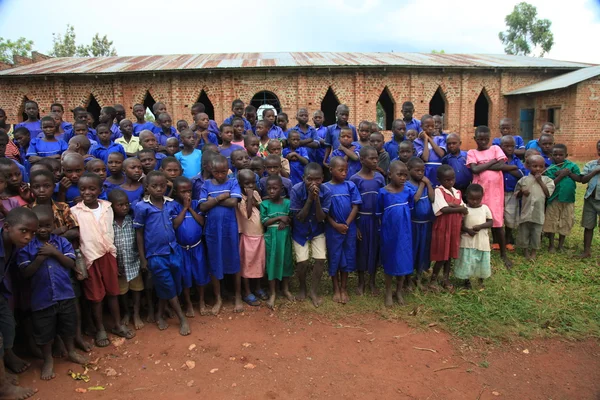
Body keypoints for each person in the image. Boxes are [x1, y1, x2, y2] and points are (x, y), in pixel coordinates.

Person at [18, 205, 88, 380]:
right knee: (44, 332)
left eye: (47, 225)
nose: (43, 229)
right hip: (42, 298)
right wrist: (41, 257)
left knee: (68, 325)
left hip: (65, 294)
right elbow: (26, 273)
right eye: (39, 226)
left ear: (53, 224)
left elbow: (70, 264)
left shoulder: (62, 243)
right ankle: (48, 360)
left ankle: (71, 351)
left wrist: (54, 253)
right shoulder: (27, 247)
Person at [71, 173, 134, 347]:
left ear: (100, 189)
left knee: (113, 293)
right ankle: (100, 329)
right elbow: (76, 239)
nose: (87, 192)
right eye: (83, 189)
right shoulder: (75, 211)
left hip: (108, 255)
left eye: (92, 188)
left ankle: (117, 324)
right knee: (96, 297)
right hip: (90, 258)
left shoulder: (107, 207)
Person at [134, 171, 190, 335]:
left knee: (171, 285)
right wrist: (143, 259)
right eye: (154, 186)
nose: (159, 189)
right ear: (147, 187)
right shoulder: (141, 207)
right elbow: (139, 233)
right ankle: (182, 318)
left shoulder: (171, 204)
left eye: (162, 186)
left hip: (173, 250)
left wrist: (185, 209)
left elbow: (175, 225)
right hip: (155, 254)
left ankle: (159, 314)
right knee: (167, 284)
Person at [0, 208, 39, 400]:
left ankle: (6, 364)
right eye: (24, 231)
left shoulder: (13, 244)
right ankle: (3, 389)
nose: (28, 237)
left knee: (8, 326)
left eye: (32, 233)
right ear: (7, 227)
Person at [199, 155, 243, 314]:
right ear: (211, 170)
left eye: (223, 171)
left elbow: (233, 203)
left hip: (230, 229)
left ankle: (238, 296)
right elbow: (203, 207)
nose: (220, 175)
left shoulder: (233, 182)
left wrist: (214, 200)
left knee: (235, 261)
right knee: (214, 262)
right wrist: (222, 197)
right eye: (216, 172)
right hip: (212, 230)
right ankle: (218, 298)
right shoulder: (206, 184)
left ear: (228, 170)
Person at [467, 126, 512, 268]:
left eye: (486, 139)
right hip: (479, 193)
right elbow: (474, 169)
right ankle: (478, 250)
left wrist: (483, 165)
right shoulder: (472, 152)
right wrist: (492, 162)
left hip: (495, 194)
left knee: (497, 223)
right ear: (475, 139)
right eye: (479, 139)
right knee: (478, 220)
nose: (483, 142)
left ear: (490, 138)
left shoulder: (495, 149)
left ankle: (503, 254)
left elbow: (501, 165)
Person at [290, 163, 331, 307]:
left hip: (317, 229)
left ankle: (313, 291)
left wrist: (317, 200)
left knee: (320, 259)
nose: (313, 183)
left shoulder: (326, 191)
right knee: (303, 261)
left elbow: (321, 218)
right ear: (303, 178)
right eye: (309, 179)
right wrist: (309, 199)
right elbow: (299, 217)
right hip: (300, 230)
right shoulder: (296, 190)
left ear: (323, 178)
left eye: (317, 179)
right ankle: (302, 287)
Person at [377, 160, 414, 307]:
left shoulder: (408, 191)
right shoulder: (383, 192)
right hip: (389, 233)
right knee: (390, 260)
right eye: (399, 174)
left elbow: (409, 209)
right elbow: (379, 213)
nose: (403, 178)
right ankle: (388, 291)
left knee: (403, 260)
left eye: (405, 175)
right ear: (390, 174)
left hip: (405, 233)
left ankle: (399, 290)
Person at [171, 177, 209, 317]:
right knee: (185, 277)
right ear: (176, 192)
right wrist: (184, 209)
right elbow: (175, 225)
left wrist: (190, 208)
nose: (187, 194)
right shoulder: (173, 206)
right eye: (183, 191)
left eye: (189, 191)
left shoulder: (196, 204)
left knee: (200, 275)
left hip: (197, 247)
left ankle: (201, 301)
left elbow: (201, 222)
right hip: (181, 248)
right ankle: (188, 304)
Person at [324, 157, 361, 304]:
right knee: (335, 257)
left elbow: (355, 206)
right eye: (340, 170)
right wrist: (335, 225)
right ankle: (336, 288)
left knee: (347, 256)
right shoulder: (325, 187)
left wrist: (346, 224)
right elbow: (324, 212)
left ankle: (344, 288)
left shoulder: (350, 185)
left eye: (346, 170)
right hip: (333, 229)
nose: (344, 173)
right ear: (331, 170)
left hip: (348, 228)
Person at [350, 146, 385, 295]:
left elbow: (383, 199)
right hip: (362, 220)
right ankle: (361, 282)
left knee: (375, 250)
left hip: (376, 220)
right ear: (362, 159)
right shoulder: (355, 179)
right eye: (372, 158)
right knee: (362, 250)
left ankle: (372, 282)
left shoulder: (380, 177)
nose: (375, 161)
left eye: (376, 158)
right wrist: (356, 225)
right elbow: (353, 204)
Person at [109, 189, 145, 331]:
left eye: (126, 204)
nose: (124, 207)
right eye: (120, 205)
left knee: (137, 289)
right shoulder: (109, 223)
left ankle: (136, 314)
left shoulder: (132, 220)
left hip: (133, 262)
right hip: (119, 265)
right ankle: (127, 313)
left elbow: (139, 239)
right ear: (112, 207)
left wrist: (142, 259)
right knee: (122, 292)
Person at [430, 165, 468, 291]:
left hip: (454, 228)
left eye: (452, 179)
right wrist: (458, 208)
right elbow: (443, 209)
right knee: (442, 255)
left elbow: (465, 210)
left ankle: (446, 279)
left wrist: (453, 206)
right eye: (446, 180)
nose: (450, 182)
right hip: (443, 227)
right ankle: (433, 279)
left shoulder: (457, 192)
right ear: (439, 180)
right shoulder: (438, 191)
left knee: (450, 254)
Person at [260, 175, 294, 309]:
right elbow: (264, 222)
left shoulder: (288, 203)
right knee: (272, 263)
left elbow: (291, 218)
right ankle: (273, 293)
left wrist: (286, 221)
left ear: (281, 188)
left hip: (284, 236)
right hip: (271, 238)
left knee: (286, 261)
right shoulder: (264, 204)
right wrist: (280, 218)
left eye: (275, 188)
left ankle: (285, 289)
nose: (272, 191)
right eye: (269, 189)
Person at [235, 169, 266, 306]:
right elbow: (247, 214)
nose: (251, 186)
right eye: (247, 183)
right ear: (240, 183)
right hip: (247, 237)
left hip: (259, 236)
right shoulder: (239, 198)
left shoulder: (255, 193)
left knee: (259, 263)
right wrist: (248, 198)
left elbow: (261, 208)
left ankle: (258, 287)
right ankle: (247, 292)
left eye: (253, 182)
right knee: (247, 265)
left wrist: (253, 198)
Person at [515, 155, 555, 260]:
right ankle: (525, 250)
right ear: (528, 166)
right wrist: (522, 192)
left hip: (538, 213)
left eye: (541, 166)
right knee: (524, 232)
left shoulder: (547, 180)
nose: (538, 169)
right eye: (534, 166)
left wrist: (540, 181)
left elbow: (548, 194)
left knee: (536, 233)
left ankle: (534, 251)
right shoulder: (523, 180)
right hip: (526, 211)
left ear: (544, 168)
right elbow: (516, 195)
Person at [454, 184, 493, 288]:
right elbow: (460, 225)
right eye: (472, 199)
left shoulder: (485, 208)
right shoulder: (464, 209)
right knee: (467, 260)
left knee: (481, 259)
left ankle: (480, 279)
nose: (474, 202)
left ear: (482, 197)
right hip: (467, 241)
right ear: (466, 196)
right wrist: (468, 230)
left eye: (478, 199)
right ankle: (466, 281)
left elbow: (490, 222)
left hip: (482, 241)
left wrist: (480, 226)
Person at [543, 144, 581, 252]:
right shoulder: (550, 169)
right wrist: (560, 175)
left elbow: (579, 178)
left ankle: (560, 245)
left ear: (566, 155)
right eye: (555, 154)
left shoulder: (572, 166)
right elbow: (550, 184)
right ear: (551, 155)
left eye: (561, 155)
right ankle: (551, 245)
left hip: (568, 199)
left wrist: (568, 173)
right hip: (554, 199)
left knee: (566, 221)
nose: (558, 157)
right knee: (552, 221)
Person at [406, 157, 434, 289]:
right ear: (409, 170)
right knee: (413, 250)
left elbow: (432, 198)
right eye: (417, 170)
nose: (420, 173)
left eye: (422, 170)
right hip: (413, 224)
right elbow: (415, 199)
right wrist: (423, 184)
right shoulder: (407, 185)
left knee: (423, 250)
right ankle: (408, 278)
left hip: (426, 223)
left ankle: (418, 278)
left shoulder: (426, 182)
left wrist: (428, 184)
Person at [579, 140, 600, 258]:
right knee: (588, 226)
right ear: (597, 150)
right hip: (590, 200)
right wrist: (595, 171)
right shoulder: (591, 165)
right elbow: (583, 180)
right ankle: (586, 251)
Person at [414, 114, 446, 187]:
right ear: (421, 126)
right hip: (426, 171)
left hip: (438, 170)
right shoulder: (417, 141)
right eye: (427, 126)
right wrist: (425, 140)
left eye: (432, 126)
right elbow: (425, 158)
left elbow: (441, 154)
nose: (430, 128)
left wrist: (429, 139)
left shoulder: (440, 139)